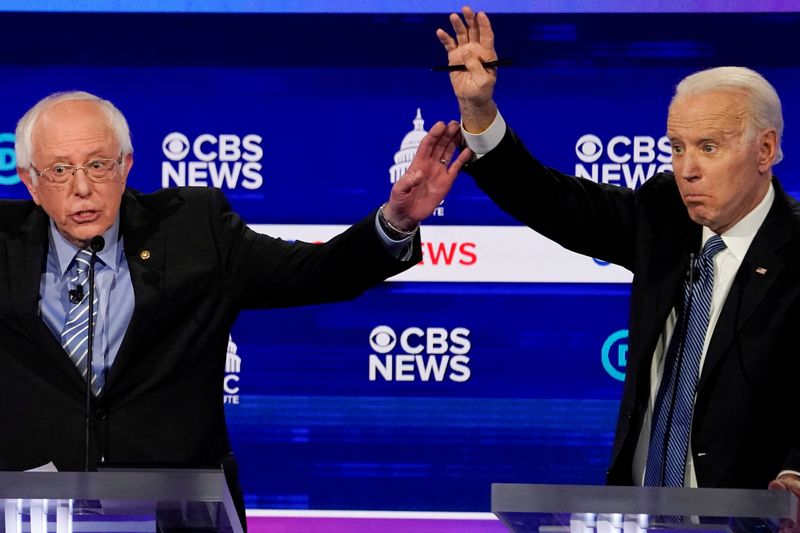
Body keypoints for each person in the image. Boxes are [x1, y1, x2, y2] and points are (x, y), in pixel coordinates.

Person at [1, 91, 472, 529]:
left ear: (126, 167)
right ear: (30, 181)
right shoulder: (5, 245)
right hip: (30, 514)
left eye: (98, 165)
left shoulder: (192, 229)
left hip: (178, 514)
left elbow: (314, 272)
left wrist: (396, 222)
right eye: (59, 171)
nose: (82, 187)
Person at [437, 6, 800, 503]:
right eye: (676, 147)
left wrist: (796, 477)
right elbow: (551, 200)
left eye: (709, 147)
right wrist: (479, 112)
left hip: (755, 516)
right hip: (641, 511)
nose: (687, 168)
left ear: (765, 149)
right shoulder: (663, 215)